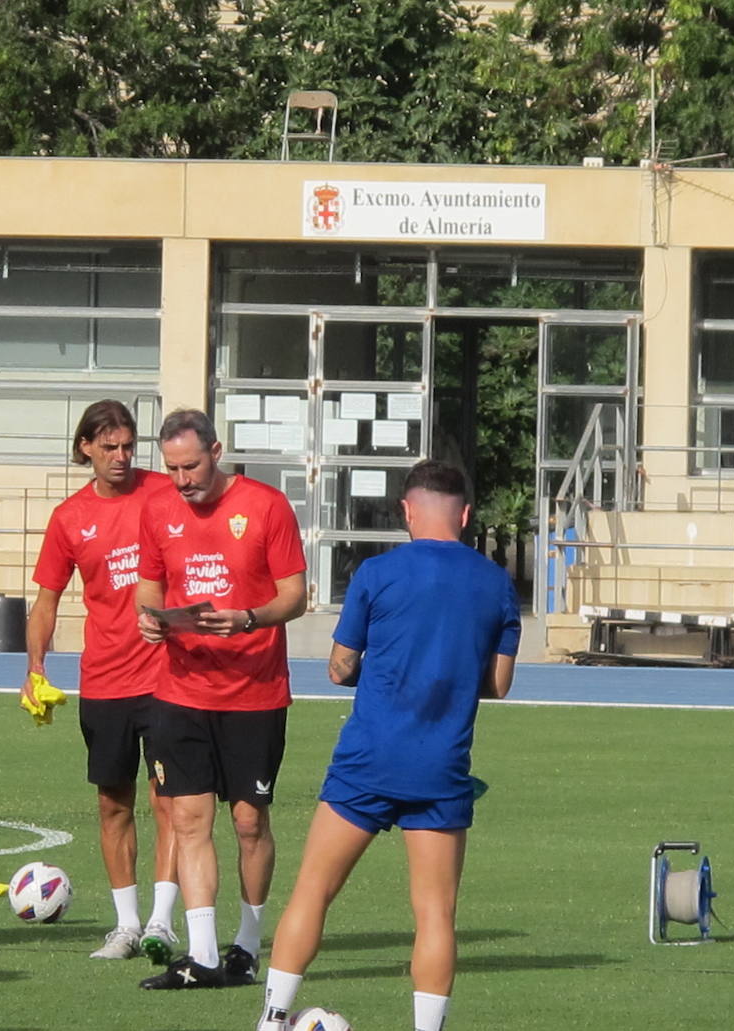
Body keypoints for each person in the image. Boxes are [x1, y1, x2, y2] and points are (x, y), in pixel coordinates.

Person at [252, 459, 518, 1031]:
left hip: (367, 761)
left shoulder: (376, 574)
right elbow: (497, 684)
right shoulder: (496, 583)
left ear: (406, 510)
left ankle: (273, 1019)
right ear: (466, 514)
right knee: (435, 913)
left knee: (314, 891)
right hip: (441, 767)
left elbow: (340, 666)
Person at [134, 408, 307, 990]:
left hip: (254, 693)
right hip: (180, 689)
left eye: (190, 465)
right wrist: (151, 620)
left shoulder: (266, 506)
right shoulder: (157, 509)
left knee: (249, 821)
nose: (182, 479)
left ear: (216, 450)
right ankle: (203, 956)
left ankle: (247, 947)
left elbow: (295, 596)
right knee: (188, 819)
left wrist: (249, 618)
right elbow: (150, 586)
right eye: (172, 469)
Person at [25, 400, 180, 961]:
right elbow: (45, 602)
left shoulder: (166, 493)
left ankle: (163, 922)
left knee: (171, 801)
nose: (120, 457)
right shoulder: (69, 518)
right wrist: (35, 667)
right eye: (108, 447)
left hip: (169, 679)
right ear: (85, 448)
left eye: (127, 446)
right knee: (113, 804)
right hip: (106, 680)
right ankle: (126, 925)